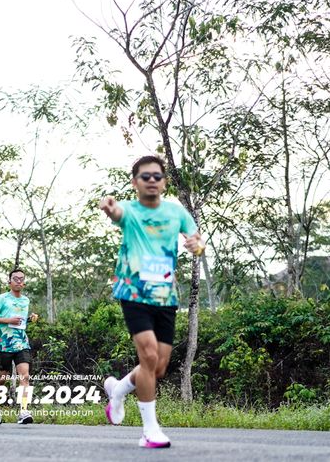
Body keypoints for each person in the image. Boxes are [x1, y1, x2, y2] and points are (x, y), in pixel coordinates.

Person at [99, 155, 204, 449]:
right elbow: (116, 212)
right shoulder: (130, 210)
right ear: (135, 182)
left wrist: (196, 245)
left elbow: (197, 241)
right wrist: (109, 208)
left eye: (157, 176)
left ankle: (118, 389)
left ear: (164, 182)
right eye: (146, 177)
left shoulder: (176, 212)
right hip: (133, 293)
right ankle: (150, 430)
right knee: (147, 355)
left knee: (157, 368)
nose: (152, 181)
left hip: (165, 296)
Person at [0, 268, 38, 425]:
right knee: (2, 379)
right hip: (5, 344)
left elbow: (19, 321)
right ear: (9, 282)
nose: (19, 281)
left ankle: (24, 411)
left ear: (24, 283)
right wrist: (8, 320)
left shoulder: (25, 300)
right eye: (16, 278)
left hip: (22, 342)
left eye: (22, 279)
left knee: (25, 376)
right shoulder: (1, 298)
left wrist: (29, 319)